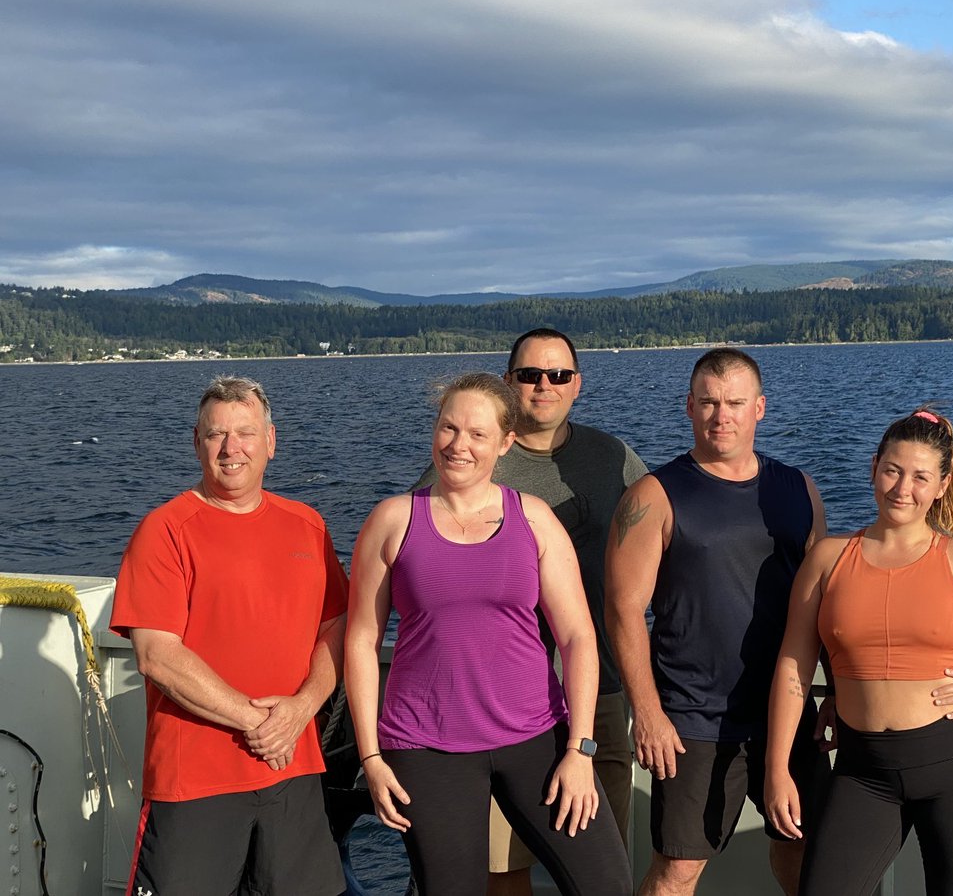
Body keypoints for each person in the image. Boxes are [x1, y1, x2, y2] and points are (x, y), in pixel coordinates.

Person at [765, 408, 953, 896]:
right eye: (892, 470)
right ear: (873, 468)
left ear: (942, 485)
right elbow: (794, 664)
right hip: (861, 770)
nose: (901, 488)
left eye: (920, 477)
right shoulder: (828, 559)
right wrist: (777, 768)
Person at [345, 372, 632, 896]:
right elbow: (362, 642)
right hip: (428, 747)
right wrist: (371, 758)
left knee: (605, 883)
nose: (459, 446)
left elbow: (577, 638)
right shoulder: (392, 521)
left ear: (505, 443)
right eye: (448, 428)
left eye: (478, 434)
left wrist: (580, 749)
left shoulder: (536, 521)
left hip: (538, 737)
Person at [413, 328, 647, 896]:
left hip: (600, 689)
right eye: (529, 375)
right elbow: (417, 558)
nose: (545, 386)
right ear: (508, 381)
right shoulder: (468, 463)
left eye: (559, 375)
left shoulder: (612, 457)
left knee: (599, 859)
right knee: (503, 864)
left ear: (577, 385)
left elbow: (668, 534)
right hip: (497, 704)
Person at [110, 375, 348, 896]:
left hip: (293, 771)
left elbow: (338, 625)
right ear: (196, 442)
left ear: (271, 442)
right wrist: (261, 723)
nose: (231, 448)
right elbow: (157, 655)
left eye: (245, 432)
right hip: (194, 779)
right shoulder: (165, 529)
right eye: (216, 434)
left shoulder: (308, 525)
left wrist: (303, 707)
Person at [605, 347, 830, 896]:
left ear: (760, 408)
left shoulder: (798, 489)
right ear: (688, 407)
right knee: (677, 871)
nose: (720, 415)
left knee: (808, 850)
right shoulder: (655, 495)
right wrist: (649, 712)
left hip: (786, 710)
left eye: (734, 402)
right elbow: (623, 609)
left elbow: (825, 604)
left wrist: (839, 696)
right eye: (708, 402)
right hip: (694, 720)